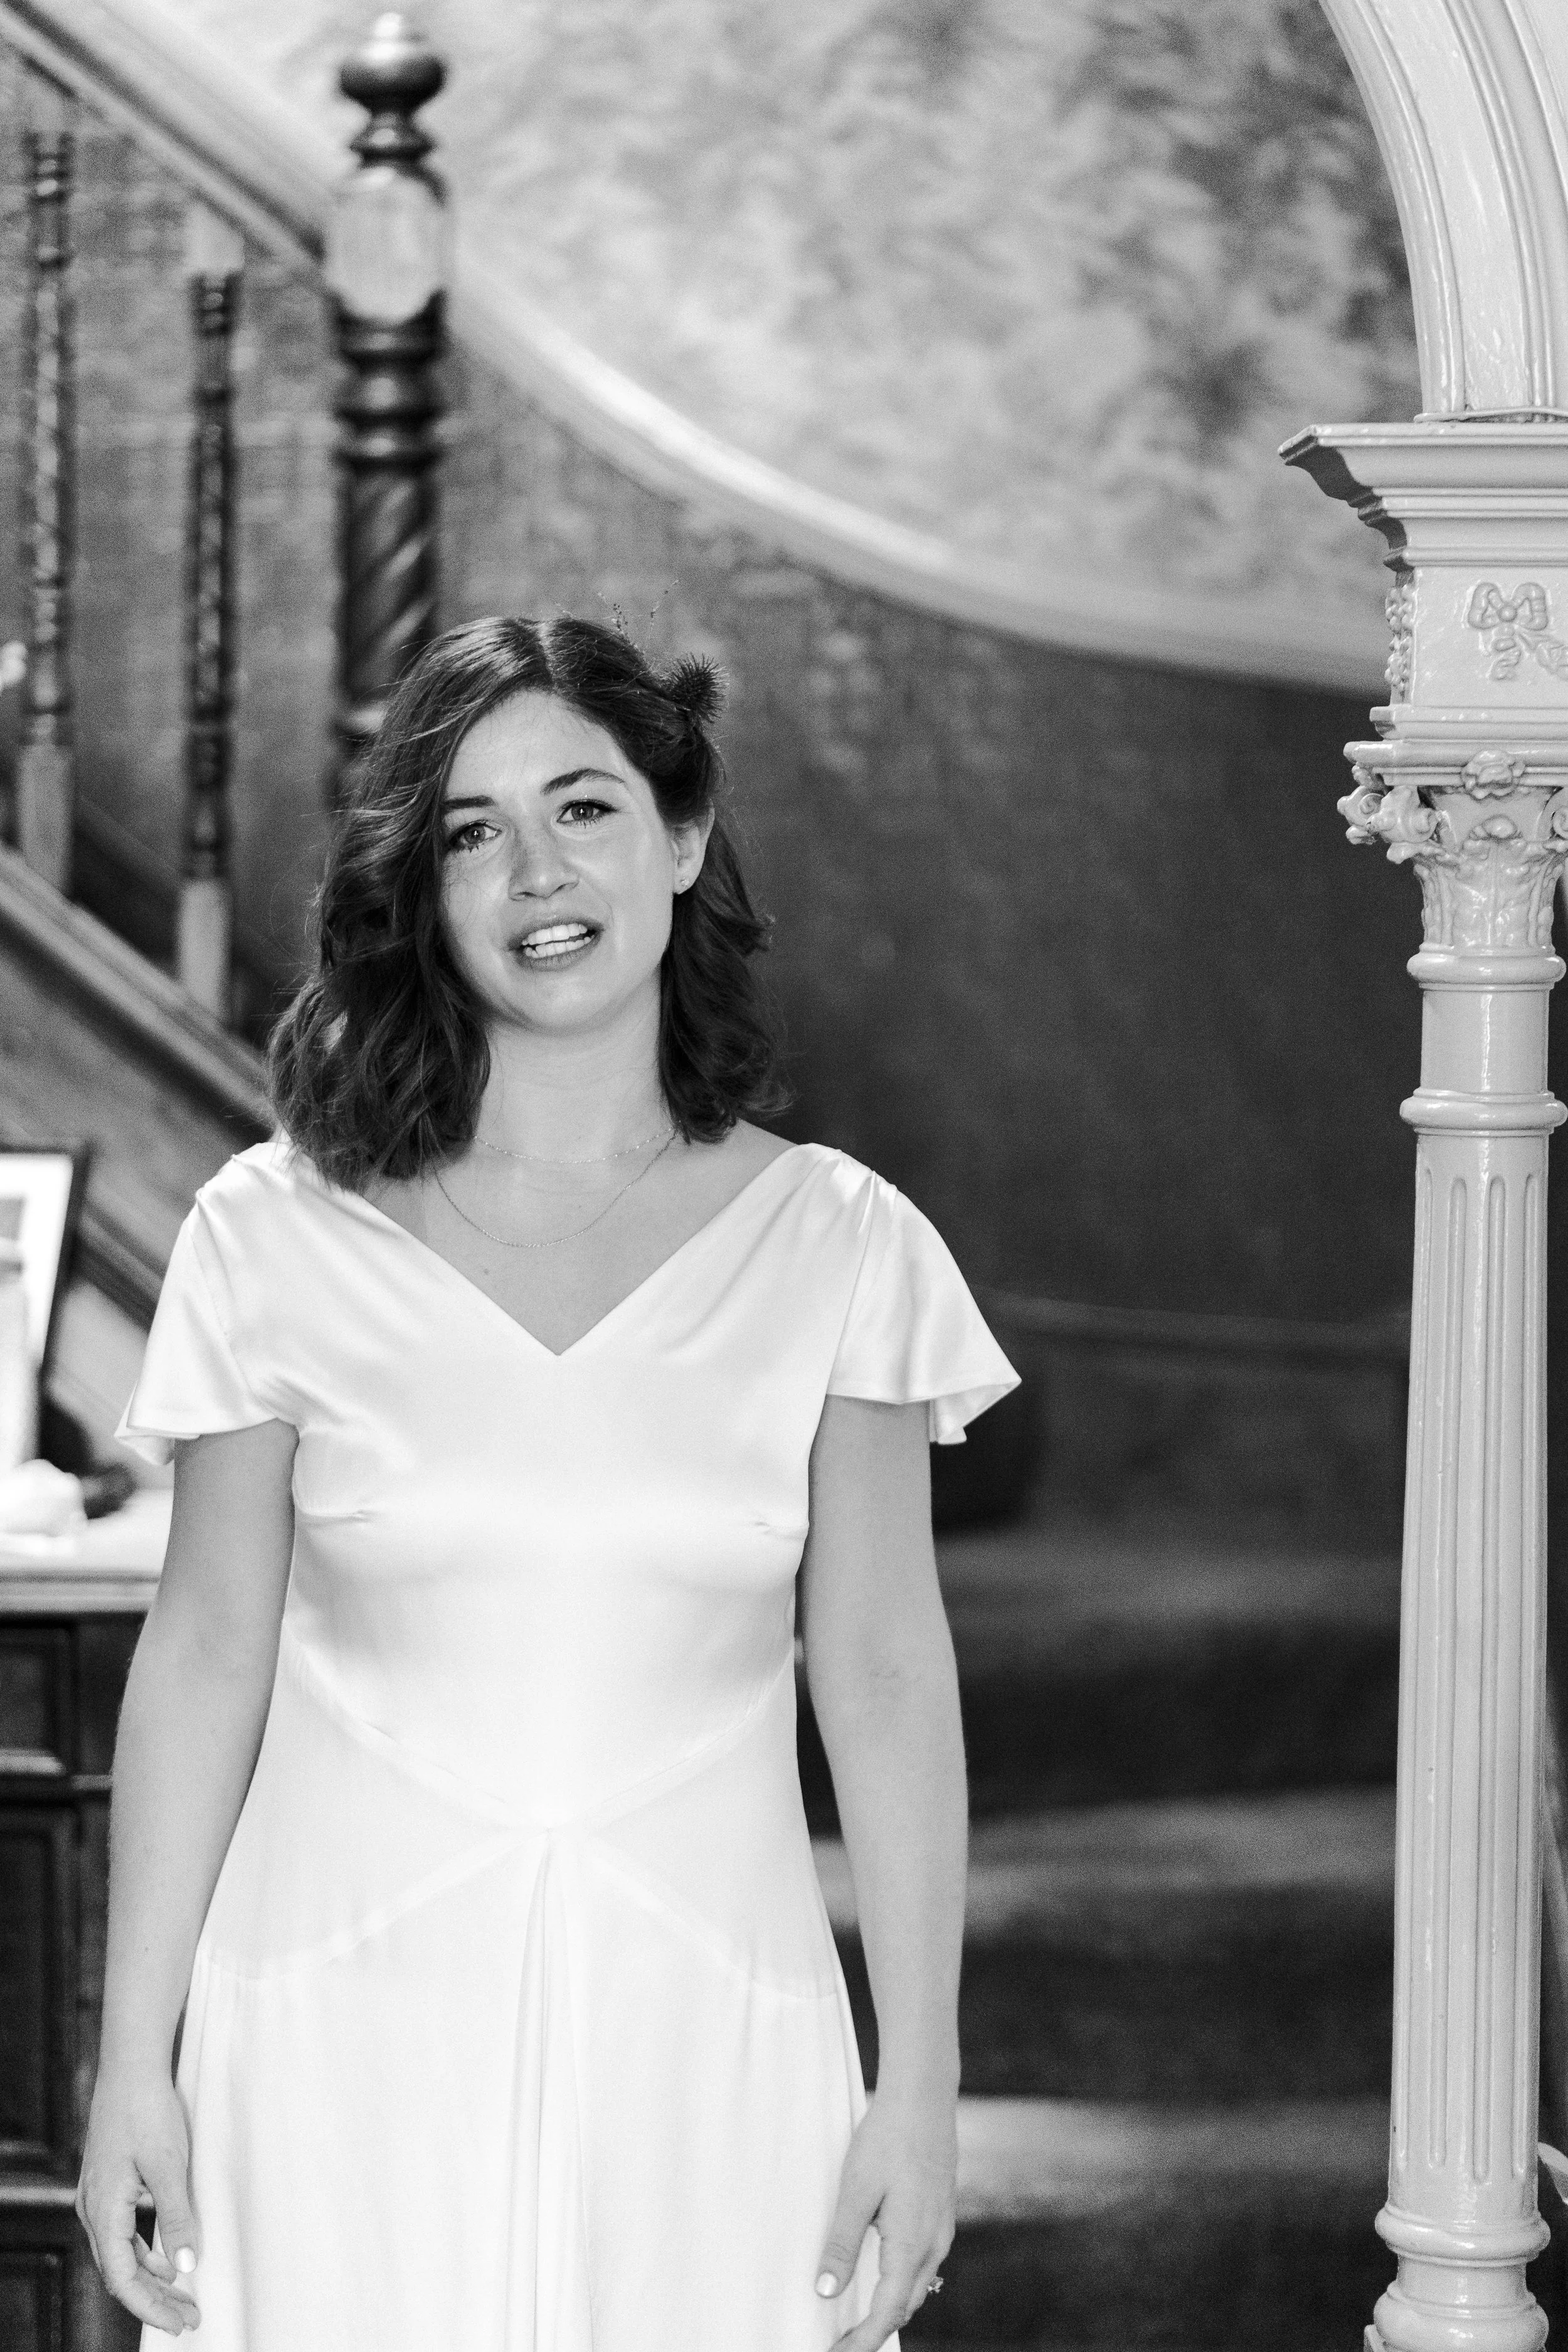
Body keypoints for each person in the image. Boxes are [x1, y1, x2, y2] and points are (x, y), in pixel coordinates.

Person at [75, 615, 1019, 2352]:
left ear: (680, 835)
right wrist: (137, 2060)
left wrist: (922, 2077)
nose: (533, 871)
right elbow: (205, 1648)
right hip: (336, 2035)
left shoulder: (839, 1247)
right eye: (470, 827)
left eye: (582, 806)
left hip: (707, 2046)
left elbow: (882, 1667)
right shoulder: (273, 1232)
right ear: (420, 885)